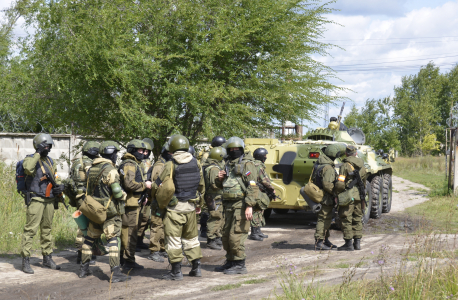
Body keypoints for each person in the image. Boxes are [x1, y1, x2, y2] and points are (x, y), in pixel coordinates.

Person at [152, 135, 204, 281]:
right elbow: (201, 186)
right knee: (192, 239)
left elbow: (158, 185)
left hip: (174, 208)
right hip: (191, 207)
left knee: (174, 240)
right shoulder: (196, 163)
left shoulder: (170, 164)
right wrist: (199, 204)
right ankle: (196, 268)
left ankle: (176, 272)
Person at [78, 141, 130, 282]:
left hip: (94, 210)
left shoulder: (92, 168)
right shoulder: (111, 170)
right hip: (109, 212)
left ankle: (83, 269)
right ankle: (115, 273)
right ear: (112, 154)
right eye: (115, 154)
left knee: (89, 239)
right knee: (113, 239)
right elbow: (117, 193)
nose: (116, 157)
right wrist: (124, 196)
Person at [21, 133, 64, 274]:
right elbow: (28, 169)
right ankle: (26, 260)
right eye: (46, 146)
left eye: (50, 146)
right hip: (36, 199)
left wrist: (59, 186)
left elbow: (55, 176)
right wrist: (38, 153)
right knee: (30, 229)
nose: (49, 148)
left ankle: (47, 257)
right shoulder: (30, 159)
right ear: (39, 146)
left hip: (50, 200)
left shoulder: (51, 161)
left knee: (47, 229)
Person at [215, 137, 259, 275]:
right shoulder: (228, 164)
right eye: (231, 149)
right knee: (226, 235)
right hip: (228, 204)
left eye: (237, 149)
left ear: (241, 149)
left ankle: (240, 263)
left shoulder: (246, 164)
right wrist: (220, 179)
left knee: (236, 236)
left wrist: (249, 206)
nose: (234, 151)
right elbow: (221, 186)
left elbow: (252, 186)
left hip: (241, 204)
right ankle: (230, 261)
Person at [119, 139, 149, 269]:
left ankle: (123, 258)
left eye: (143, 151)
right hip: (129, 204)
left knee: (128, 231)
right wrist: (145, 185)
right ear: (132, 150)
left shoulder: (134, 163)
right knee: (130, 232)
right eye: (140, 150)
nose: (143, 153)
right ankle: (128, 260)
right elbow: (129, 184)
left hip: (133, 202)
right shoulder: (130, 164)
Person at [71, 141, 100, 265]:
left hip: (78, 196)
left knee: (82, 224)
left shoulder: (77, 161)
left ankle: (81, 253)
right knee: (87, 226)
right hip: (87, 197)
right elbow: (92, 177)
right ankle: (84, 254)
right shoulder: (88, 163)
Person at [313, 143, 346, 251]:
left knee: (326, 219)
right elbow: (327, 184)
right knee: (323, 219)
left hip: (320, 195)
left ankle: (324, 240)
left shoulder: (320, 163)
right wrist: (336, 194)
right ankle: (319, 241)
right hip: (325, 197)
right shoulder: (328, 168)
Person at [335, 145, 367, 251]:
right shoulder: (362, 165)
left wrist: (336, 193)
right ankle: (357, 243)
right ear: (356, 153)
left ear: (346, 154)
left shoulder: (345, 165)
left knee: (346, 218)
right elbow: (364, 182)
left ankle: (348, 244)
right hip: (359, 195)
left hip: (348, 196)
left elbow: (340, 183)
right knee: (357, 218)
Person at [145, 143, 170, 262]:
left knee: (165, 225)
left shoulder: (167, 164)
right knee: (157, 225)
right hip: (158, 200)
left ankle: (163, 248)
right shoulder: (160, 165)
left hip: (165, 200)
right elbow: (156, 184)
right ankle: (154, 250)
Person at [198, 136, 226, 238]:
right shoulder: (209, 154)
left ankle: (212, 233)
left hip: (211, 186)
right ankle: (206, 231)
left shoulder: (216, 153)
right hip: (210, 185)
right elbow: (205, 167)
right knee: (209, 210)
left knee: (213, 212)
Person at [203, 147, 227, 250]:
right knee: (215, 217)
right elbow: (214, 185)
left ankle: (217, 237)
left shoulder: (214, 167)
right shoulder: (214, 169)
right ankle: (211, 240)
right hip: (214, 196)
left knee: (220, 218)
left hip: (217, 196)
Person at [249, 147, 274, 241]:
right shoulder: (259, 165)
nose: (266, 157)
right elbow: (264, 180)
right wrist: (272, 189)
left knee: (260, 210)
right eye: (265, 155)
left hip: (256, 190)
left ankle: (258, 231)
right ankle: (254, 233)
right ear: (261, 156)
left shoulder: (253, 164)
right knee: (257, 211)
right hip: (257, 190)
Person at [136, 138, 154, 251]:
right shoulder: (137, 163)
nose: (145, 154)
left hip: (146, 194)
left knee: (145, 219)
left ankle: (139, 240)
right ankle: (135, 242)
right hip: (139, 194)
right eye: (144, 151)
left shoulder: (148, 163)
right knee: (138, 219)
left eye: (147, 152)